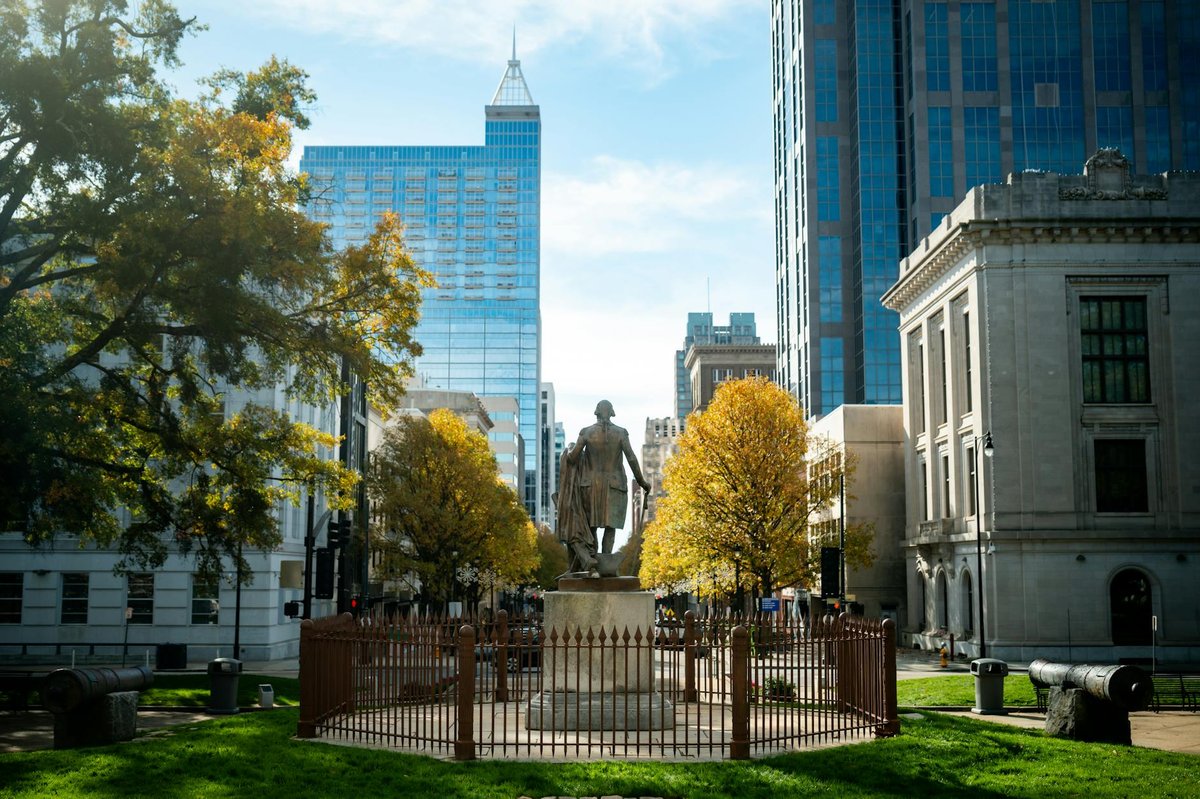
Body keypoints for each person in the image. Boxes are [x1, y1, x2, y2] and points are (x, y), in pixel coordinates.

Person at [566, 399, 651, 557]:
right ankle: (605, 562)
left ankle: (593, 564)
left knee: (591, 527)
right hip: (615, 485)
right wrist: (642, 482)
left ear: (596, 412)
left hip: (589, 486)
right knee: (610, 527)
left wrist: (568, 450)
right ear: (612, 412)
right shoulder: (621, 433)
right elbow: (631, 458)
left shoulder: (586, 432)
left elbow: (572, 458)